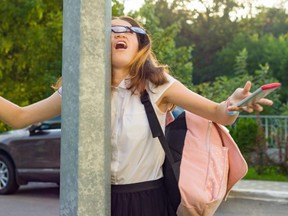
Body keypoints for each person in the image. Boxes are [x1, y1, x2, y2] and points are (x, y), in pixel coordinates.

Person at [0, 16, 273, 216]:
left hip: (148, 200)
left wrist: (234, 104)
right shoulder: (80, 88)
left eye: (129, 30)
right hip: (92, 200)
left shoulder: (159, 84)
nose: (120, 33)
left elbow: (217, 113)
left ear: (139, 43)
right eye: (111, 29)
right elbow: (20, 117)